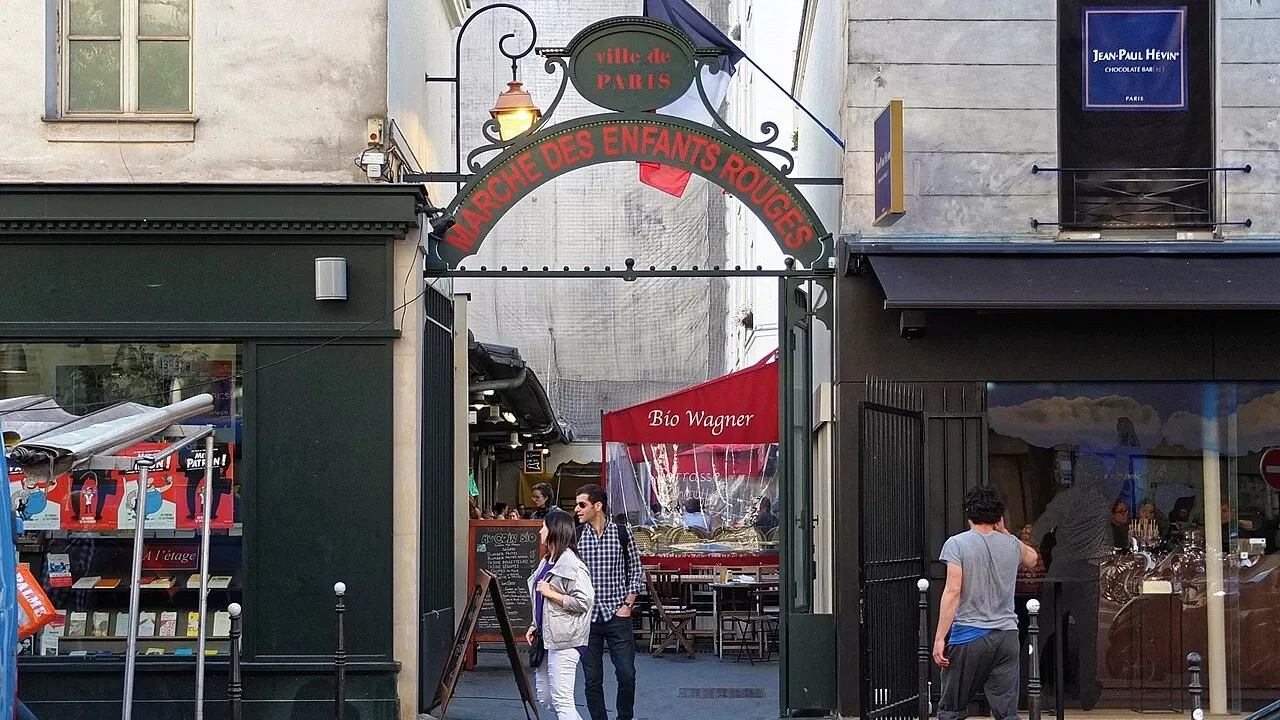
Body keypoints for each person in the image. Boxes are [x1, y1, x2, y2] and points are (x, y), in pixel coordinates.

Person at [933, 486, 1040, 720]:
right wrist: (1004, 532)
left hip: (969, 634)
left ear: (969, 513)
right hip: (1007, 635)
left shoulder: (957, 544)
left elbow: (952, 592)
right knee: (1006, 712)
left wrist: (940, 637)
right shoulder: (1011, 544)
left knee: (952, 708)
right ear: (998, 516)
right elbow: (1032, 559)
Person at [1031, 454, 1128, 710]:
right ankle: (1086, 693)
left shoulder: (1063, 500)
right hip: (1087, 573)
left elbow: (1040, 528)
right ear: (1096, 476)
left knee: (1039, 631)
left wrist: (1029, 553)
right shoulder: (1103, 497)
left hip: (1060, 569)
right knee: (1087, 636)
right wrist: (1124, 442)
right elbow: (1119, 467)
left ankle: (1022, 686)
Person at [573, 484, 642, 720]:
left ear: (598, 506)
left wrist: (628, 604)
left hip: (616, 615)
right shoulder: (577, 536)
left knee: (626, 674)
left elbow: (635, 569)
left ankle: (624, 717)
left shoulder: (623, 533)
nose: (577, 510)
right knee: (592, 679)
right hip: (587, 618)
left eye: (582, 505)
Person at [526, 509, 594, 720]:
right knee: (547, 698)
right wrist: (533, 624)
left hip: (566, 640)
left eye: (544, 527)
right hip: (545, 637)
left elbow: (584, 601)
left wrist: (552, 593)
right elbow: (540, 602)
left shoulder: (573, 565)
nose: (540, 531)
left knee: (562, 701)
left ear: (554, 531)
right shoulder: (547, 561)